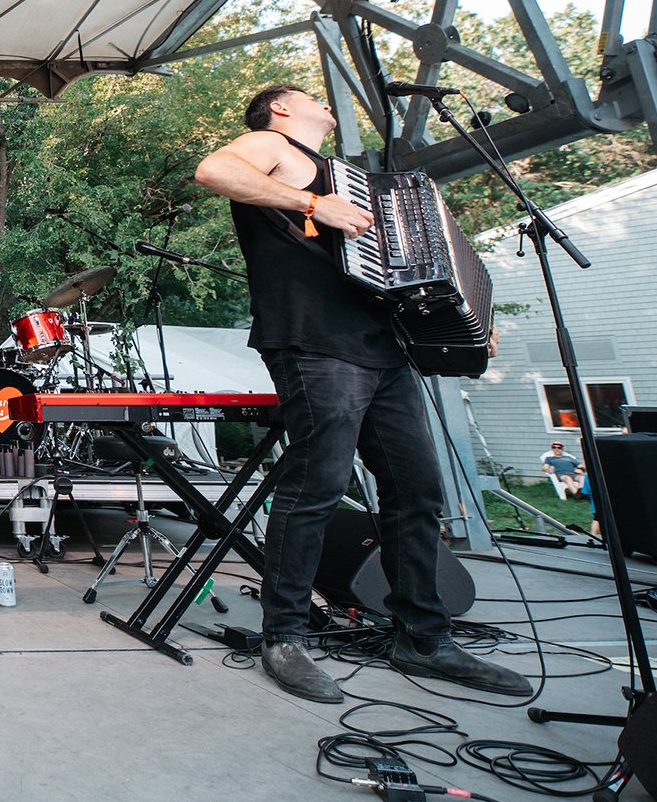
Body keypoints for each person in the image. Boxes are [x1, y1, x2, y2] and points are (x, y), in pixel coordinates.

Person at [194, 85, 530, 704]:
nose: (326, 101)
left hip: (383, 346)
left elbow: (410, 268)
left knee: (418, 488)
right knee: (317, 484)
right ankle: (285, 637)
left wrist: (468, 324)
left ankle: (422, 637)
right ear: (282, 108)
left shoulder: (354, 178)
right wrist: (310, 203)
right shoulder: (275, 147)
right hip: (315, 341)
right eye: (311, 95)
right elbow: (214, 169)